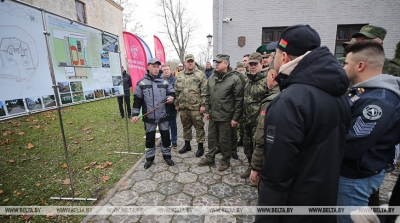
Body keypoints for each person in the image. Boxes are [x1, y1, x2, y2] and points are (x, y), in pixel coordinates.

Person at [256, 24, 351, 223]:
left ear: (285, 58)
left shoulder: (288, 102)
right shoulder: (337, 93)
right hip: (324, 201)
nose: (273, 59)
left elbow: (276, 175)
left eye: (275, 53)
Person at [337, 40, 400, 223]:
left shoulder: (378, 101)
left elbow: (353, 145)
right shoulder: (364, 92)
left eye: (346, 63)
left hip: (354, 176)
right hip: (353, 172)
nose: (344, 67)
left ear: (360, 65)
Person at [197, 54, 243, 171]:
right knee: (211, 138)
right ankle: (210, 158)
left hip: (226, 116)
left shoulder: (234, 79)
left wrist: (235, 118)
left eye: (219, 62)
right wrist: (207, 110)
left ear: (226, 64)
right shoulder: (212, 78)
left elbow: (239, 100)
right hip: (213, 115)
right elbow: (207, 95)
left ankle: (225, 161)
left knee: (224, 140)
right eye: (215, 62)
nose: (216, 64)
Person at [131, 58, 175, 169]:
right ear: (148, 67)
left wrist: (170, 98)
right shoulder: (141, 83)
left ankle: (167, 156)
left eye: (157, 67)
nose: (156, 69)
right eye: (153, 67)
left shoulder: (165, 82)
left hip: (163, 116)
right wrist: (135, 114)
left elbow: (171, 94)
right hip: (149, 116)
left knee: (165, 137)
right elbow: (137, 100)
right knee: (150, 138)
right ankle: (149, 158)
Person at [239, 52, 269, 179]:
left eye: (255, 64)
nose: (252, 66)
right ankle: (250, 167)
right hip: (246, 120)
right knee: (247, 146)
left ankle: (260, 171)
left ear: (261, 64)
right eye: (250, 64)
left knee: (258, 147)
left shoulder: (267, 79)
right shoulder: (245, 78)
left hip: (259, 121)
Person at [250, 67, 280, 187]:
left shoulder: (270, 101)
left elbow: (263, 137)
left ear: (272, 76)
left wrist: (256, 166)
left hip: (270, 159)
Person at [174, 54, 207, 157]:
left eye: (192, 61)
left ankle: (200, 147)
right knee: (185, 127)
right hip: (183, 107)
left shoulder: (200, 74)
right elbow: (176, 90)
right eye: (188, 61)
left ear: (194, 62)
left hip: (196, 107)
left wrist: (203, 105)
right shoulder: (180, 75)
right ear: (185, 63)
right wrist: (177, 103)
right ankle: (187, 145)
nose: (190, 63)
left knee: (199, 128)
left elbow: (205, 91)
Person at [161, 64, 178, 148]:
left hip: (172, 106)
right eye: (164, 70)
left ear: (170, 70)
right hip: (162, 107)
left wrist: (176, 103)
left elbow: (178, 94)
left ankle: (174, 140)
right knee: (163, 125)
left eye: (167, 69)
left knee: (173, 124)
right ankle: (164, 140)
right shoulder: (159, 81)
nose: (166, 71)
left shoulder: (175, 80)